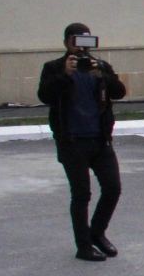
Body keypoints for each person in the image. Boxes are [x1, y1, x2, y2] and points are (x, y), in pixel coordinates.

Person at [38, 23, 127, 261]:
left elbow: (119, 92)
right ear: (67, 43)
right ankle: (83, 246)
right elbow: (45, 95)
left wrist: (104, 76)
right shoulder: (54, 67)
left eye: (87, 43)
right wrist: (64, 75)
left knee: (113, 188)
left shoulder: (100, 66)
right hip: (72, 140)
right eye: (77, 42)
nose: (82, 49)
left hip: (100, 139)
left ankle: (97, 233)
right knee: (81, 195)